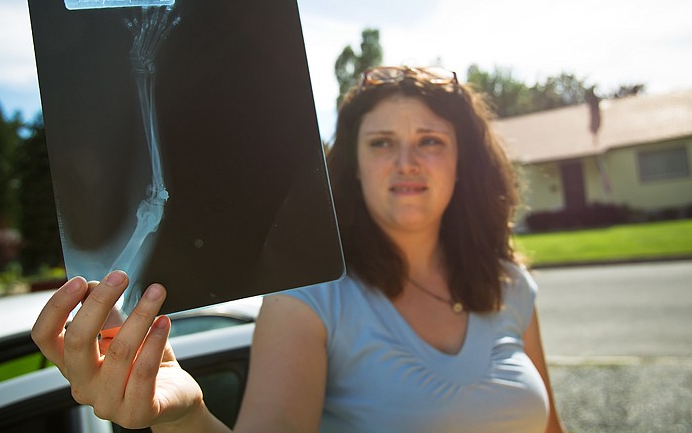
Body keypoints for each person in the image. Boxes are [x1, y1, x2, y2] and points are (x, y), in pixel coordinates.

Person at [32, 66, 565, 432]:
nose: (407, 161)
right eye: (382, 142)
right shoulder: (311, 298)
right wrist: (185, 417)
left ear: (461, 161)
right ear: (352, 166)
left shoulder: (511, 286)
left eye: (430, 140)